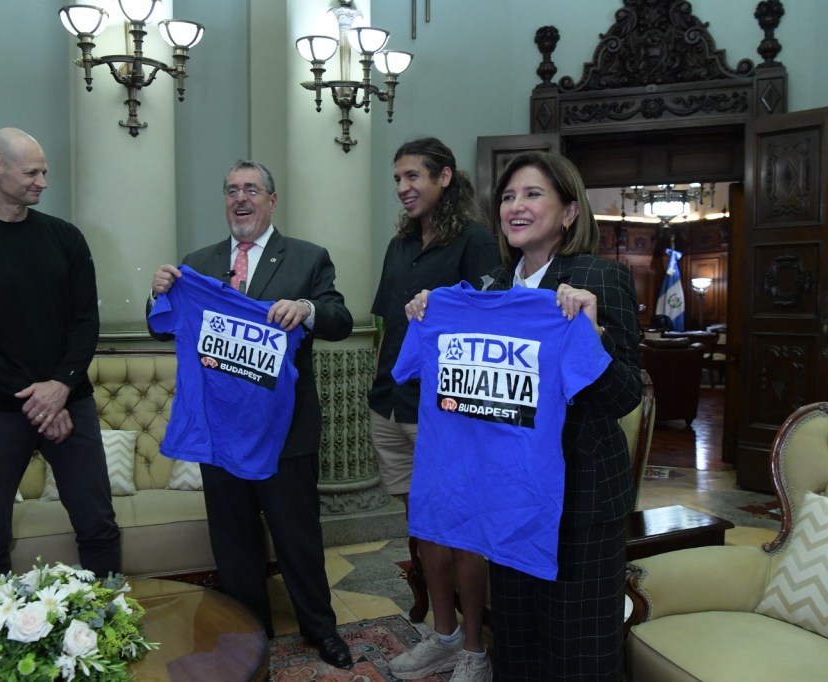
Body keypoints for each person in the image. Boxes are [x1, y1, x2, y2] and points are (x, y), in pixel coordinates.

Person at [405, 151, 642, 680]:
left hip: (580, 501)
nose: (516, 206)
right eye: (509, 196)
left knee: (576, 646)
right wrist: (431, 316)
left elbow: (625, 397)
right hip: (507, 495)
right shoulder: (489, 288)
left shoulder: (601, 280)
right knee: (516, 638)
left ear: (570, 212)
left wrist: (593, 336)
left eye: (533, 194)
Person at [148, 160, 355, 670]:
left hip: (286, 432)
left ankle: (321, 630)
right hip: (222, 430)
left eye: (252, 189)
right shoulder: (198, 262)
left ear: (272, 199)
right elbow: (162, 328)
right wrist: (159, 292)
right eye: (232, 190)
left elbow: (341, 319)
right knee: (233, 540)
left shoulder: (307, 258)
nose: (241, 198)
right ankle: (246, 631)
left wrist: (307, 308)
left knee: (298, 539)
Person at [0, 128, 121, 589]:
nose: (42, 181)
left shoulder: (66, 238)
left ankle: (108, 627)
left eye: (45, 171)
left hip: (70, 399)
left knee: (97, 523)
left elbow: (84, 324)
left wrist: (59, 388)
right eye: (31, 172)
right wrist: (38, 399)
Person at [369, 138, 499, 681]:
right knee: (422, 530)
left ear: (444, 178)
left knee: (460, 532)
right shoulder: (400, 246)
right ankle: (442, 636)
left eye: (413, 177)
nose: (403, 188)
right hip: (390, 408)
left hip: (446, 412)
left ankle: (475, 650)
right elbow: (385, 327)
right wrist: (375, 389)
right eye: (397, 178)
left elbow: (489, 323)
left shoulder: (476, 241)